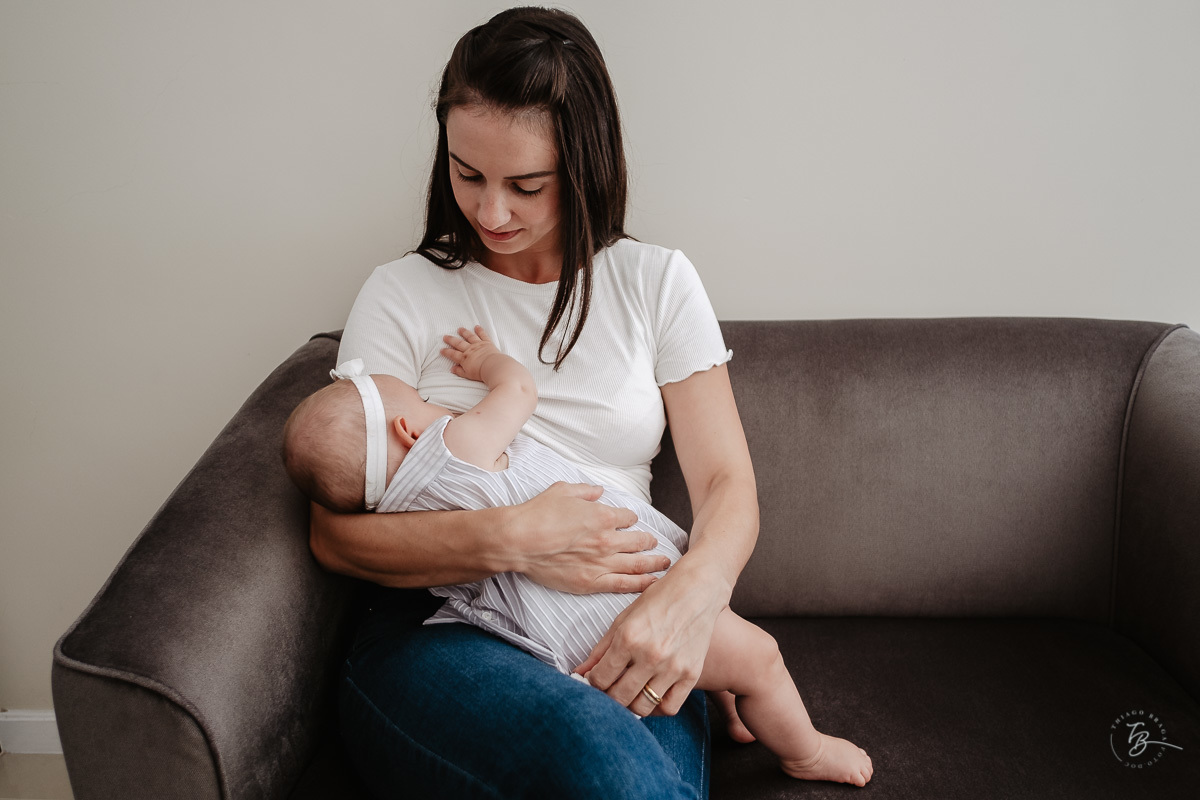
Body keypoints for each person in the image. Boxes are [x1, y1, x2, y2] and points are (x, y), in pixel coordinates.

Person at [307, 7, 803, 798]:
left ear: (583, 163)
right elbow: (336, 538)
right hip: (445, 624)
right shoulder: (402, 294)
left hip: (620, 612)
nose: (491, 212)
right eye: (467, 175)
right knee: (591, 763)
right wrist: (515, 537)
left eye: (525, 185)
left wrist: (686, 605)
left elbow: (725, 488)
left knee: (622, 780)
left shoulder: (654, 282)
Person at [285, 325, 874, 786]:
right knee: (761, 659)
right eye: (419, 397)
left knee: (711, 650)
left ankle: (728, 700)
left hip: (558, 630)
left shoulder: (396, 508)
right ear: (410, 432)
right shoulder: (452, 446)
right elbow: (519, 392)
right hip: (619, 598)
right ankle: (807, 751)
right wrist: (486, 360)